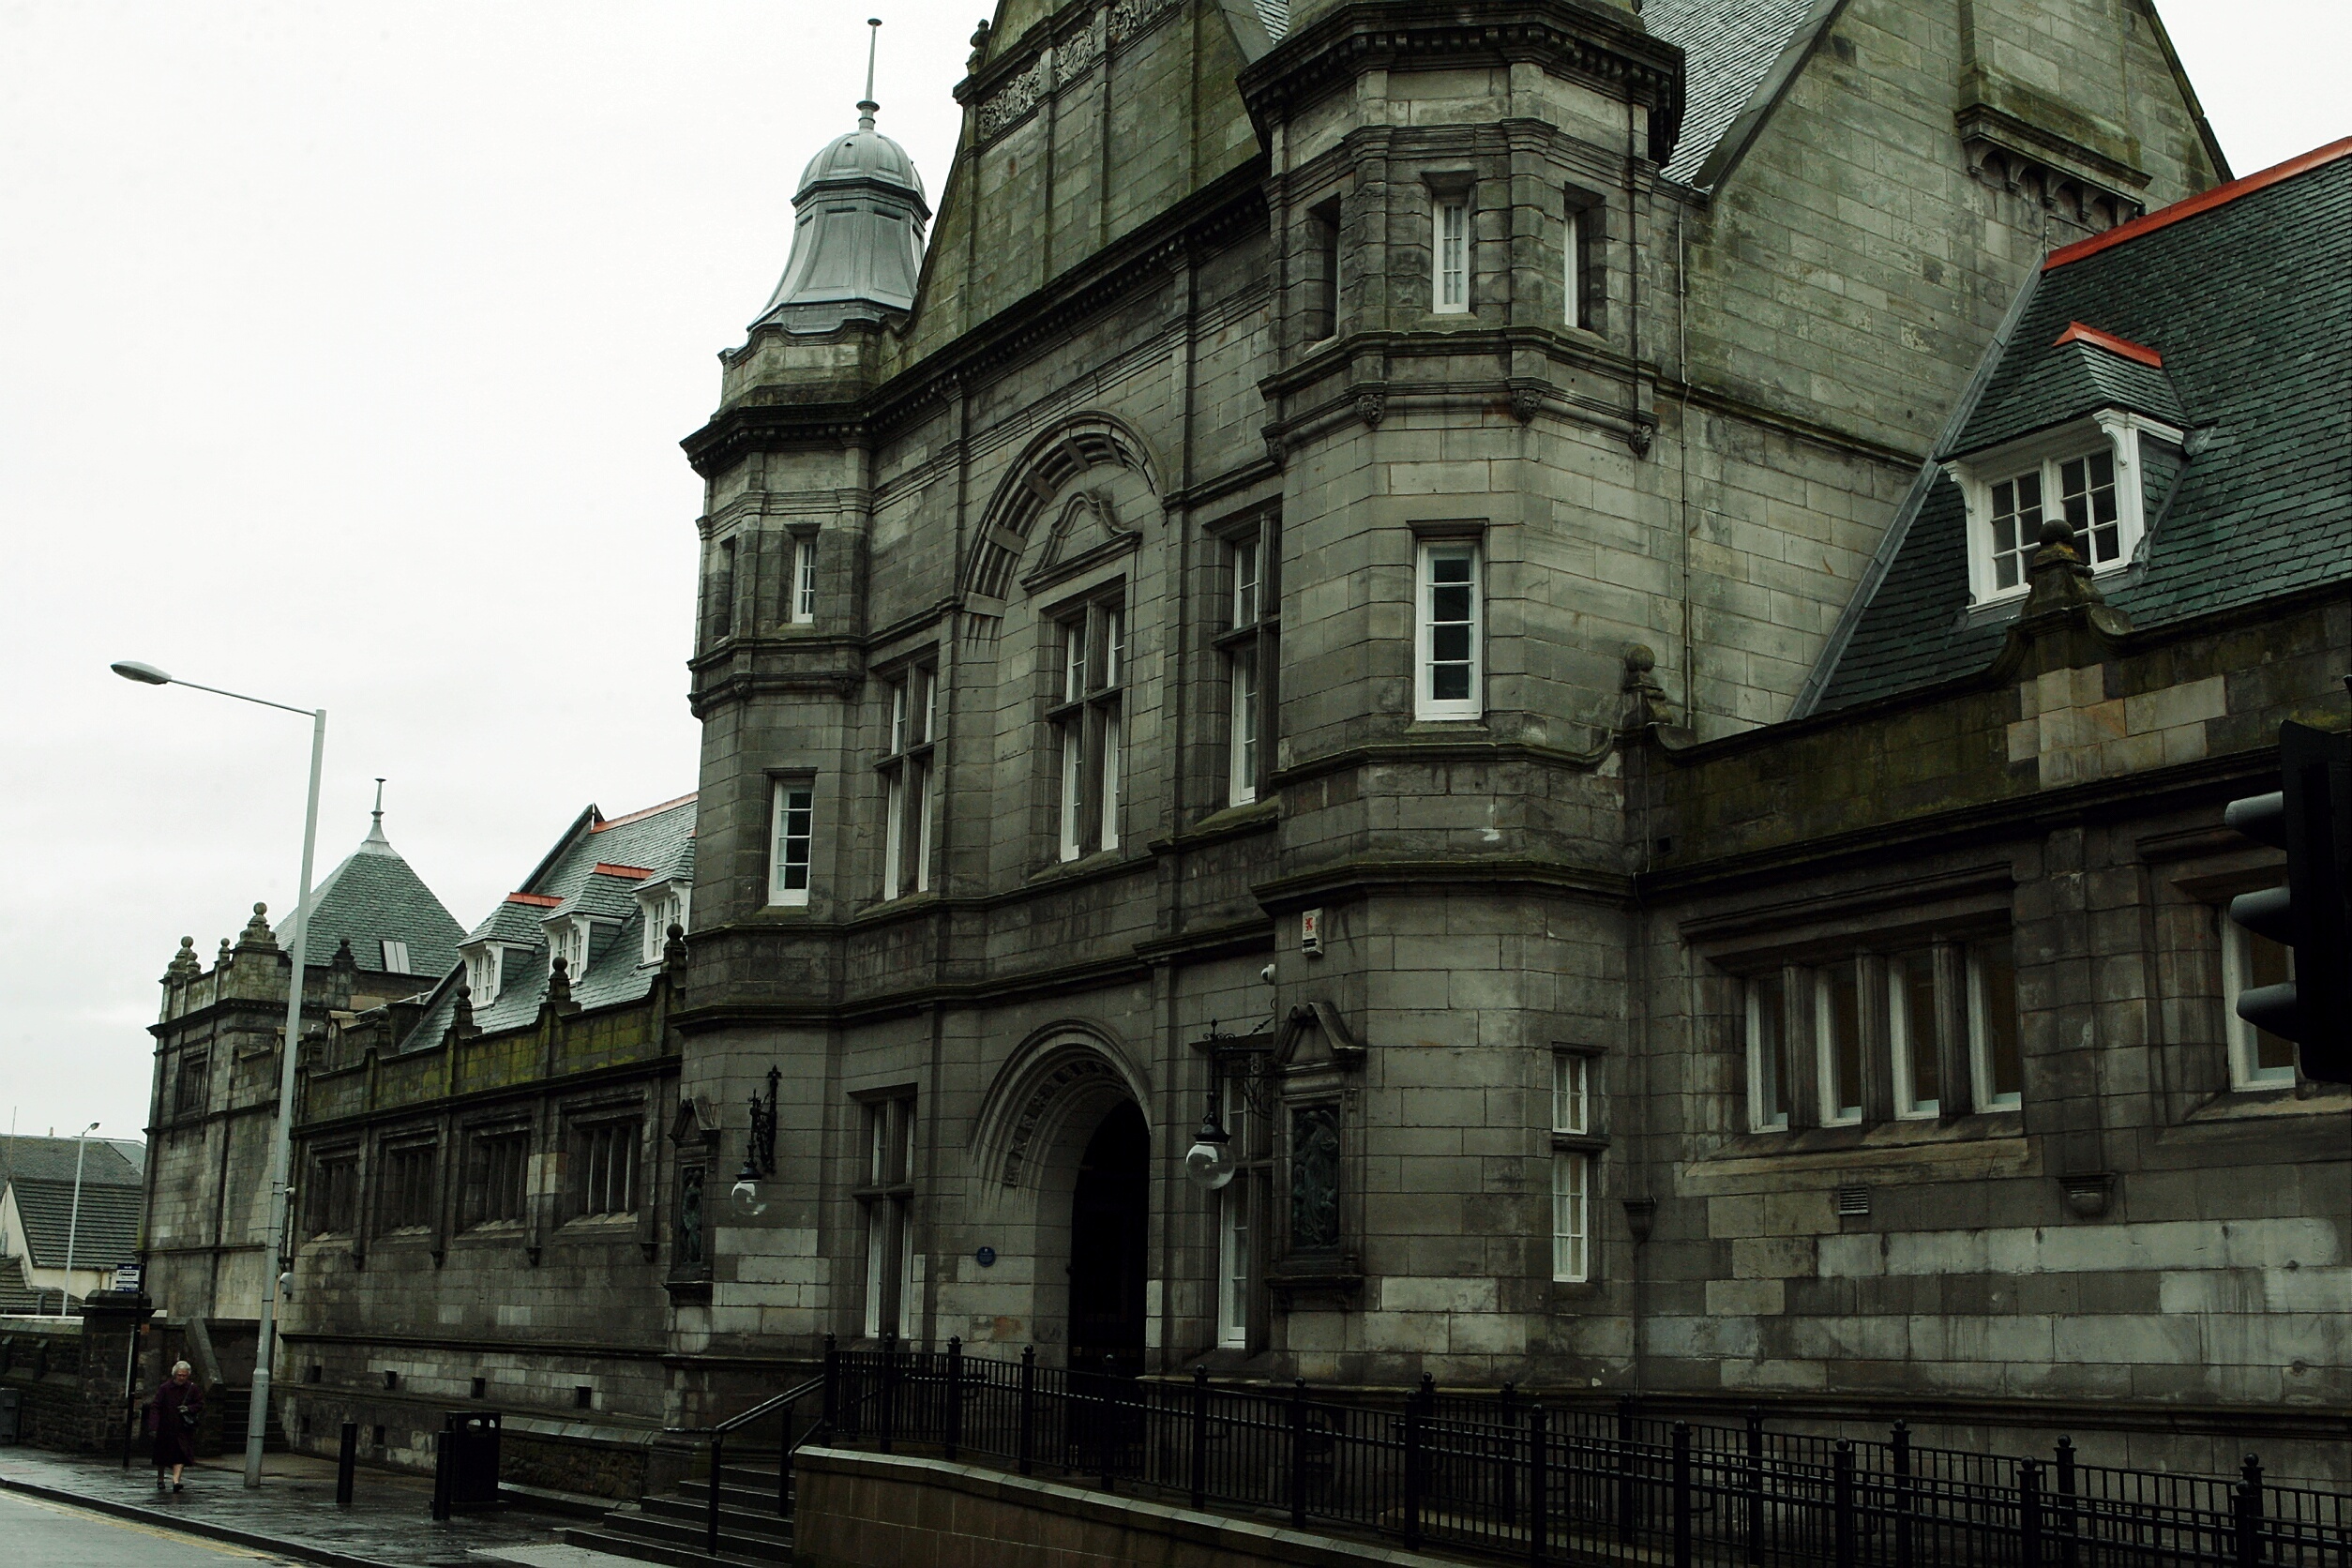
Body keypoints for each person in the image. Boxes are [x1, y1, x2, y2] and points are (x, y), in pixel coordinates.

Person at [149, 1361, 203, 1492]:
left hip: (182, 1428)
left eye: (184, 1375)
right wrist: (154, 1425)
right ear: (174, 1375)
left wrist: (189, 1408)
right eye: (179, 1375)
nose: (182, 1378)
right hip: (165, 1427)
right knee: (162, 1456)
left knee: (180, 1454)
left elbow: (200, 1403)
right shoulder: (165, 1388)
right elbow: (156, 1406)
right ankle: (160, 1478)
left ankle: (176, 1481)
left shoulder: (192, 1388)